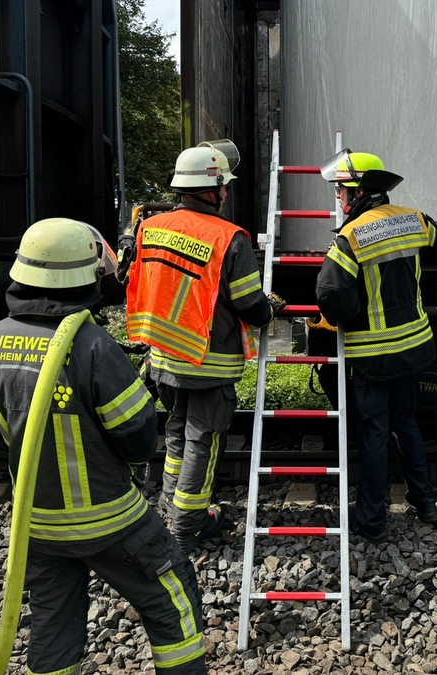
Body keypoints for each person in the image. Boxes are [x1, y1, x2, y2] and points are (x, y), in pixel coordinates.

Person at [0, 218, 207, 675]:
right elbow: (138, 433)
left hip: (36, 523)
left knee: (54, 620)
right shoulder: (92, 345)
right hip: (109, 519)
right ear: (84, 277)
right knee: (172, 596)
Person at [121, 140, 280, 554]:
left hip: (164, 356)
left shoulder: (150, 227)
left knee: (176, 434)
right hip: (208, 360)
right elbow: (249, 302)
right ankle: (187, 526)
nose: (226, 192)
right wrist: (270, 311)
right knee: (202, 441)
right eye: (223, 186)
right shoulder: (230, 239)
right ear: (213, 191)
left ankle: (170, 509)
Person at [315, 150, 437, 544]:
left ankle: (373, 522)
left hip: (373, 356)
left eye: (341, 191)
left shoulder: (350, 237)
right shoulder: (412, 220)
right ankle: (425, 503)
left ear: (360, 191)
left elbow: (330, 295)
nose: (339, 199)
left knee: (375, 434)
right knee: (407, 424)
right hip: (413, 348)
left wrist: (353, 316)